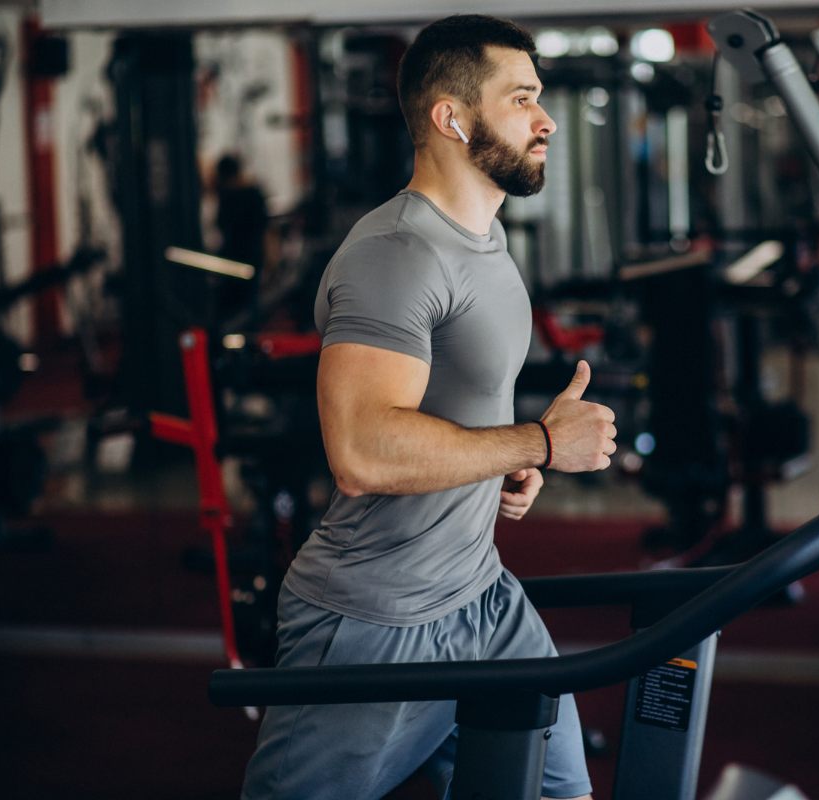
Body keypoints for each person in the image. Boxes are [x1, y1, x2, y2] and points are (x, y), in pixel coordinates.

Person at [241, 15, 616, 800]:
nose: (545, 118)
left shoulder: (484, 240)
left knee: (558, 794)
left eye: (538, 98)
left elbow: (457, 411)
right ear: (451, 118)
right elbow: (364, 451)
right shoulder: (395, 254)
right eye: (521, 100)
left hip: (480, 595)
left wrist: (510, 459)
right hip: (374, 618)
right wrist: (539, 445)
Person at [214, 153, 269, 324]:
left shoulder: (226, 196)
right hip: (252, 254)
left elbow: (221, 224)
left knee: (231, 304)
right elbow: (264, 226)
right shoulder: (254, 193)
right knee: (249, 302)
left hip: (232, 257)